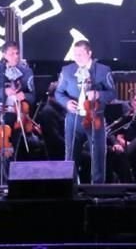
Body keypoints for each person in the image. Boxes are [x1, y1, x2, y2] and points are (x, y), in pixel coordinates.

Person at [55, 40, 116, 183]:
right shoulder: (67, 70)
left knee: (98, 154)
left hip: (95, 118)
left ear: (89, 53)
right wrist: (66, 102)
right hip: (73, 119)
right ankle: (70, 187)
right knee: (70, 155)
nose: (77, 57)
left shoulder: (102, 70)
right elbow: (58, 93)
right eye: (75, 54)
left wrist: (99, 94)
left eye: (81, 54)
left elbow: (113, 93)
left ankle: (97, 187)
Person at [0, 40, 36, 186]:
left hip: (18, 116)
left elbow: (33, 96)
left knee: (12, 151)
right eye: (12, 53)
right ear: (4, 54)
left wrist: (24, 96)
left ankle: (9, 184)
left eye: (17, 53)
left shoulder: (26, 72)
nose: (16, 56)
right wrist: (3, 92)